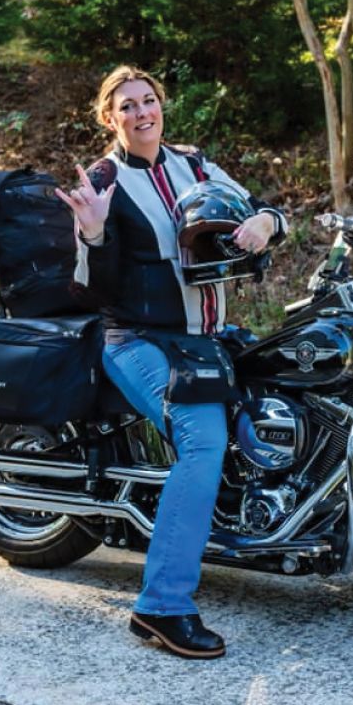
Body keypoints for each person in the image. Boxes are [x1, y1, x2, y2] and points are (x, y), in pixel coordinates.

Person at [56, 65, 286, 660]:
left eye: (149, 100)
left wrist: (266, 221)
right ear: (110, 118)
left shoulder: (194, 163)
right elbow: (89, 290)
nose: (141, 113)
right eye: (126, 106)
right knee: (204, 440)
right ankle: (162, 606)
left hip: (206, 336)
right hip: (138, 341)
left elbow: (255, 207)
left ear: (163, 107)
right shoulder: (103, 181)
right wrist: (94, 235)